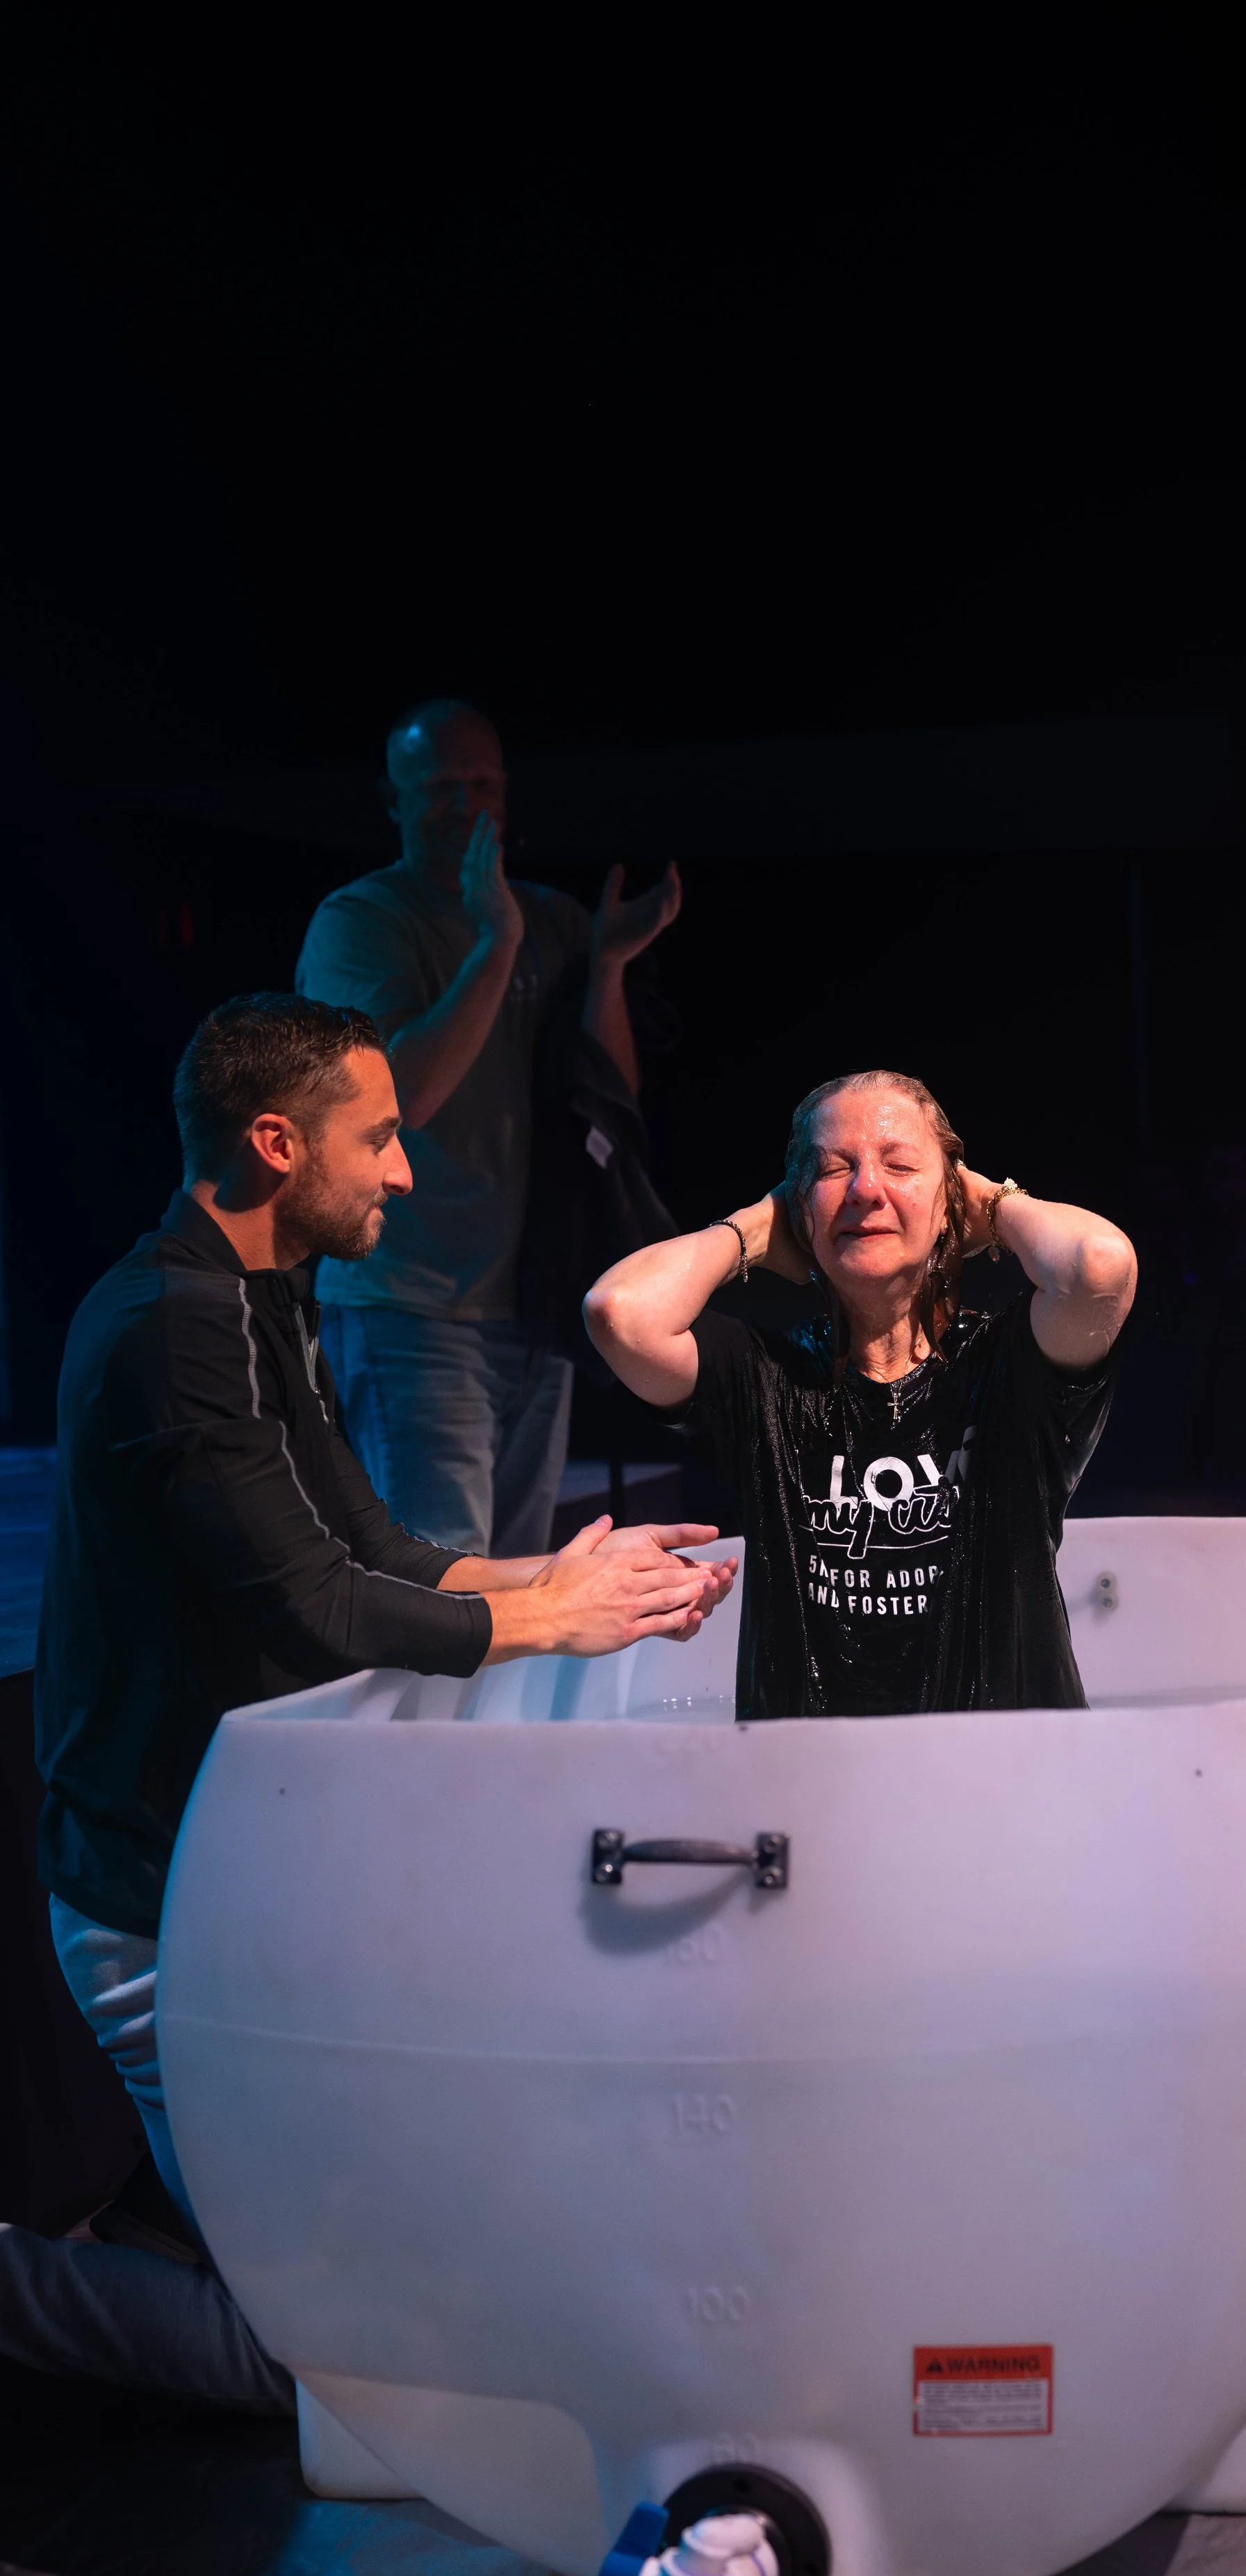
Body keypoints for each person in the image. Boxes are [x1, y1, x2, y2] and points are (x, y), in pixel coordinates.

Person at [13, 993, 732, 2407]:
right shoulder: (176, 1329)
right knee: (319, 2375)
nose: (406, 1168)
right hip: (160, 1915)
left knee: (425, 2259)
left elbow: (372, 1547)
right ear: (277, 1143)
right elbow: (316, 1608)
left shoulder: (258, 1296)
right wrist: (551, 1622)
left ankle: (191, 2219)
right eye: (381, 1136)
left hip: (245, 1892)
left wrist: (556, 1574)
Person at [584, 1068, 1138, 1719]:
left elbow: (1099, 1266)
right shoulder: (766, 1377)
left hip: (1010, 1765)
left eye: (899, 1165)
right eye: (831, 1170)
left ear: (949, 1203)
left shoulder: (1012, 1368)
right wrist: (755, 1229)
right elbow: (620, 1313)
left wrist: (990, 1203)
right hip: (809, 1773)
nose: (865, 1189)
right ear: (800, 1212)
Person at [295, 697, 680, 1555]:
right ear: (394, 800)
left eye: (483, 783)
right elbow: (403, 1096)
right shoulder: (364, 920)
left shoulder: (551, 917)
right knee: (444, 1572)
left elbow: (608, 1093)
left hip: (534, 1302)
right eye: (440, 786)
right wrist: (494, 943)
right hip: (414, 1301)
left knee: (519, 1572)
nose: (466, 803)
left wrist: (608, 966)